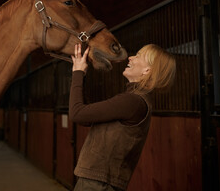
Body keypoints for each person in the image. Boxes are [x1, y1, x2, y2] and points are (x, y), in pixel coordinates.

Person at [69, 43, 176, 191]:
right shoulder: (135, 100)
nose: (131, 58)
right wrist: (82, 74)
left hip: (98, 185)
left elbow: (77, 114)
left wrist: (77, 73)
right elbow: (86, 117)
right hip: (99, 182)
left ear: (147, 70)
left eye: (138, 56)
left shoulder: (132, 102)